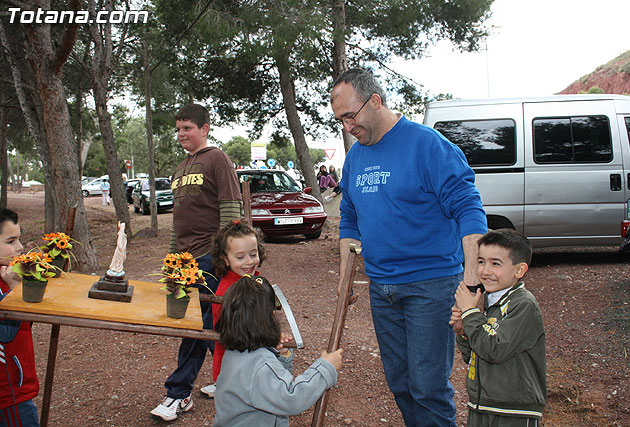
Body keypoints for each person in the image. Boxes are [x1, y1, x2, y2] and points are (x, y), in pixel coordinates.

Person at [330, 67, 487, 426]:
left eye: (350, 116)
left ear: (375, 101)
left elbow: (468, 209)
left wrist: (473, 280)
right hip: (381, 288)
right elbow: (350, 219)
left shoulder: (428, 146)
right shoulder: (355, 158)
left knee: (428, 387)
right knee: (400, 383)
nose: (347, 127)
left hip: (430, 286)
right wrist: (344, 279)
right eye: (340, 120)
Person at [151, 104, 242, 422]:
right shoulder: (179, 169)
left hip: (209, 256)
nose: (181, 135)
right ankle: (232, 376)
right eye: (178, 129)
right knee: (209, 324)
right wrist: (172, 258)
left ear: (205, 128)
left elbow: (231, 206)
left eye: (187, 128)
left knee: (198, 324)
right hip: (185, 260)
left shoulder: (216, 158)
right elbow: (178, 221)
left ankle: (179, 392)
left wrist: (225, 257)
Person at [212, 275, 343, 427]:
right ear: (266, 318)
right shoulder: (261, 364)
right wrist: (326, 367)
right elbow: (291, 398)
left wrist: (280, 356)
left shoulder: (237, 353)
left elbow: (271, 386)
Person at [451, 229, 546, 426]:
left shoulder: (523, 304)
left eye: (495, 263)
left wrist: (469, 312)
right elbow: (475, 356)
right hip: (482, 404)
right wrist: (464, 332)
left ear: (519, 270)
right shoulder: (486, 302)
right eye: (480, 261)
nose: (485, 271)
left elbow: (494, 349)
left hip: (513, 411)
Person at [208, 220, 267, 394]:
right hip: (235, 366)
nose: (249, 262)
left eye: (253, 254)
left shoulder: (255, 281)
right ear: (225, 260)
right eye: (240, 257)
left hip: (254, 362)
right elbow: (233, 334)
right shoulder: (227, 293)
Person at [0, 208, 40, 427]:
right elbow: (5, 332)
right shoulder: (7, 280)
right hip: (9, 392)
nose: (20, 247)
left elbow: (25, 322)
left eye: (19, 239)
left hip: (15, 384)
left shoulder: (4, 273)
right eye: (11, 241)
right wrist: (15, 289)